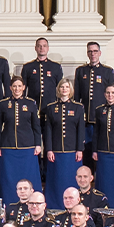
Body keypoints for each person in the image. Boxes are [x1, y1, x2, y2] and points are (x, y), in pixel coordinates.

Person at [0, 78, 42, 208]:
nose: (17, 89)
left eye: (19, 86)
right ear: (10, 88)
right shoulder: (3, 104)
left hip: (28, 147)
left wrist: (38, 144)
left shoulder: (31, 103)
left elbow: (36, 126)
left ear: (24, 87)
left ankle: (33, 204)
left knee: (29, 177)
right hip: (7, 147)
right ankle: (8, 206)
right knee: (8, 180)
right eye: (14, 86)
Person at [42, 78, 85, 210]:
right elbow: (48, 131)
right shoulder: (50, 108)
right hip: (56, 152)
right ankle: (55, 206)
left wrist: (80, 149)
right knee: (56, 181)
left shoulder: (78, 107)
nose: (64, 89)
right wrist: (48, 149)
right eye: (62, 87)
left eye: (67, 87)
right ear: (58, 90)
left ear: (71, 90)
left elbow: (80, 130)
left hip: (72, 153)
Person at [74, 41, 114, 169]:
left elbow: (111, 93)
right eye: (90, 51)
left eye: (95, 51)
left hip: (101, 117)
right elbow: (77, 95)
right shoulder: (81, 71)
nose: (93, 54)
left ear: (100, 53)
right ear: (87, 53)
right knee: (86, 147)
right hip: (86, 118)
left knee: (100, 146)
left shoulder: (108, 71)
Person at [20, 37, 63, 108]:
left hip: (51, 105)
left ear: (48, 48)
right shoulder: (27, 67)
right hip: (32, 105)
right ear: (35, 48)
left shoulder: (56, 67)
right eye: (39, 46)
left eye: (44, 46)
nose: (41, 48)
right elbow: (23, 89)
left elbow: (60, 88)